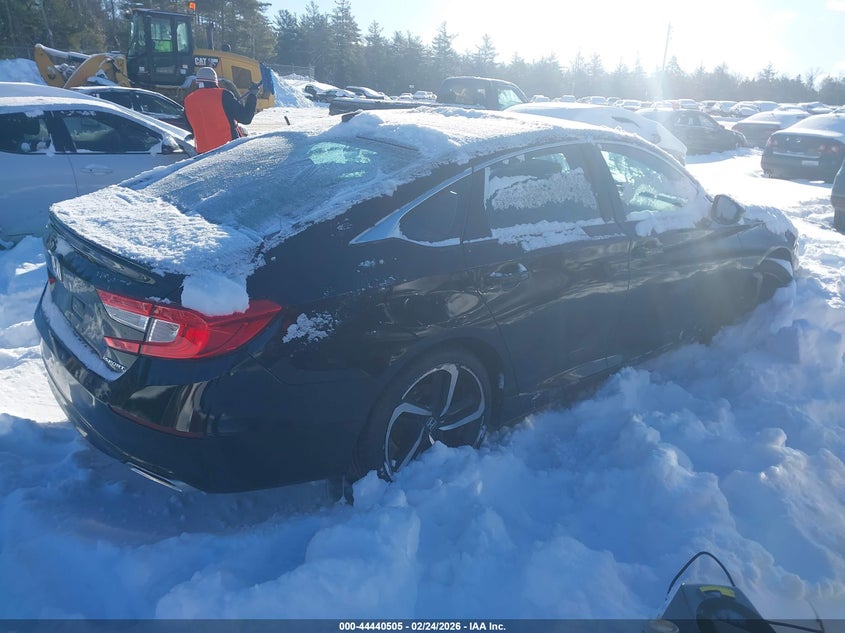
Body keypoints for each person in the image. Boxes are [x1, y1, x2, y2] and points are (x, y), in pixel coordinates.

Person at [184, 66, 259, 153]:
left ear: (197, 82)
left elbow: (190, 126)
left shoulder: (188, 100)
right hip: (228, 149)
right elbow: (246, 118)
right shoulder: (223, 95)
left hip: (203, 153)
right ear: (215, 81)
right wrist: (252, 96)